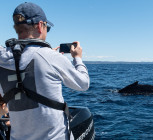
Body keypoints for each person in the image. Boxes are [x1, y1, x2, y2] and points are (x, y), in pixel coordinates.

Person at [0, 2, 89, 140]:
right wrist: (77, 58)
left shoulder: (2, 60)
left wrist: (44, 60)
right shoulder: (50, 58)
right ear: (40, 26)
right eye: (47, 27)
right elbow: (83, 84)